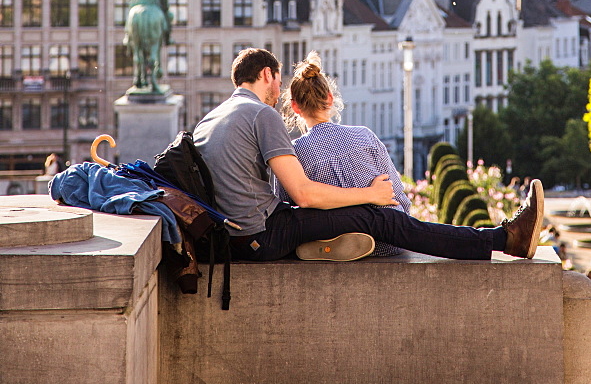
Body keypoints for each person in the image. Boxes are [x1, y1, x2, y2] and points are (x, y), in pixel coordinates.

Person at [193, 47, 544, 264]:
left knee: (359, 217)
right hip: (261, 236)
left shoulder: (211, 118)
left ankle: (322, 245)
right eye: (276, 81)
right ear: (267, 74)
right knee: (381, 219)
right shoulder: (260, 113)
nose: (276, 93)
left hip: (234, 238)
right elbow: (302, 194)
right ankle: (504, 239)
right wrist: (371, 195)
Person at [277, 52, 411, 256]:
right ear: (329, 99)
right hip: (388, 242)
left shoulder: (295, 151)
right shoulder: (365, 136)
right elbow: (398, 195)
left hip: (333, 237)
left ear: (295, 107)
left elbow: (286, 206)